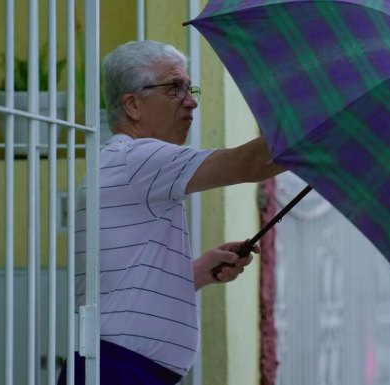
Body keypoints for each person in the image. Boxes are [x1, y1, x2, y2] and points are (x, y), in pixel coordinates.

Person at [59, 40, 285, 385]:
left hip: (116, 365)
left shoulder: (121, 162)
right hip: (119, 370)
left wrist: (193, 274)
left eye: (189, 88)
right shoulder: (139, 159)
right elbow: (250, 163)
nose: (192, 101)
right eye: (174, 88)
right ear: (133, 105)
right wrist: (324, 124)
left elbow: (117, 285)